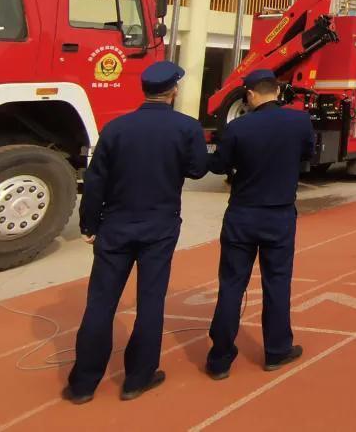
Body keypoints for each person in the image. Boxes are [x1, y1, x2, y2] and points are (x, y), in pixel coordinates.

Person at [64, 61, 208, 404]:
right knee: (150, 301)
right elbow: (200, 170)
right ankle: (137, 379)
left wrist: (89, 224)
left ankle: (84, 384)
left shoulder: (115, 128)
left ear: (144, 90)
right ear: (173, 91)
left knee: (100, 303)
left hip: (115, 225)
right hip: (159, 225)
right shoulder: (187, 128)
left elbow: (95, 181)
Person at [206, 69, 316, 379]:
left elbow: (219, 166)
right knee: (277, 283)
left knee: (231, 285)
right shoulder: (299, 122)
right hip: (279, 215)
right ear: (277, 92)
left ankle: (220, 359)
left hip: (242, 214)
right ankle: (278, 350)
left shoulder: (238, 127)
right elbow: (308, 154)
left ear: (251, 94)